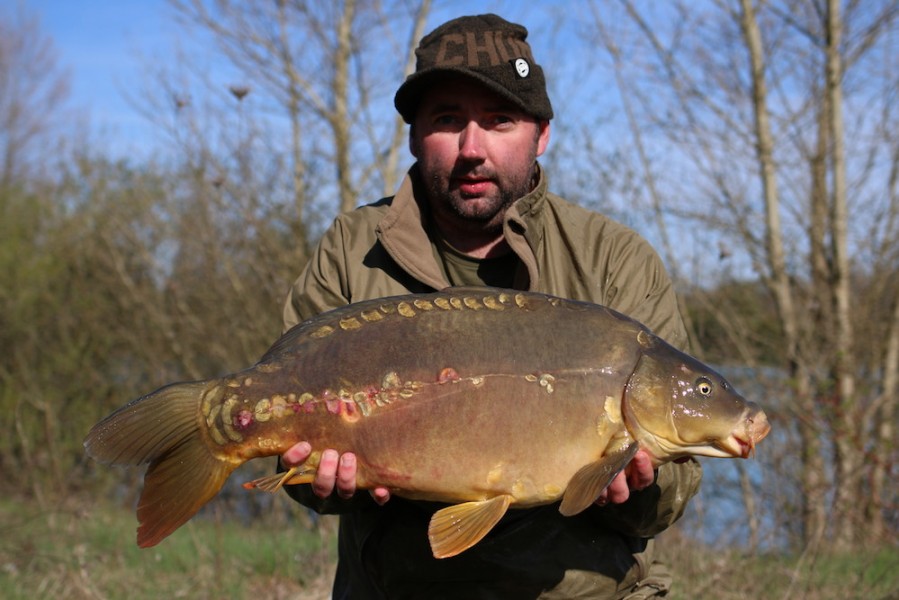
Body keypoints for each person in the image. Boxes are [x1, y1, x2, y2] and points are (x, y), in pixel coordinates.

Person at [278, 13, 702, 599]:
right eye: (448, 120)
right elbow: (289, 459)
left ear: (541, 134)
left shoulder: (613, 259)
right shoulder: (354, 250)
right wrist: (315, 482)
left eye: (499, 120)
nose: (472, 149)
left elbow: (668, 502)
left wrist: (640, 488)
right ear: (413, 133)